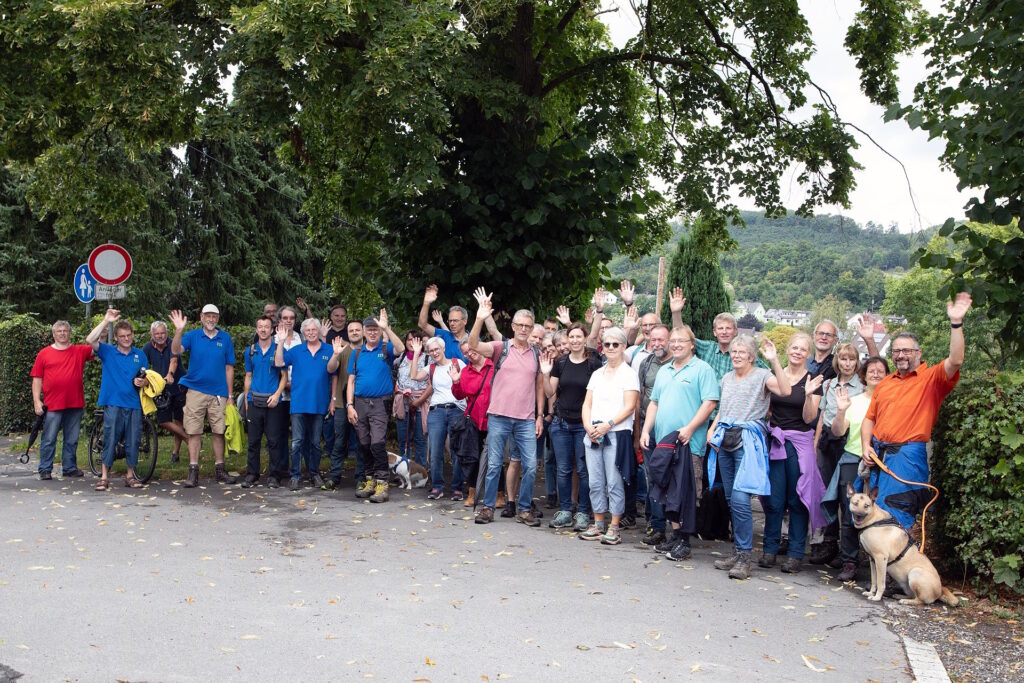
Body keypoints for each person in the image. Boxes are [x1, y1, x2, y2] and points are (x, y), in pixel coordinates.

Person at [860, 292, 972, 530]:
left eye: (906, 351)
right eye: (896, 351)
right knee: (872, 514)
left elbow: (955, 360)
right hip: (879, 455)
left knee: (897, 514)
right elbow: (869, 419)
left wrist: (956, 323)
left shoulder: (931, 378)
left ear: (918, 353)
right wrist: (865, 446)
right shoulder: (886, 382)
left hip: (907, 457)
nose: (900, 355)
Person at [707, 335, 789, 580]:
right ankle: (737, 552)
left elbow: (785, 391)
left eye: (742, 352)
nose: (736, 355)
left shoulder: (763, 376)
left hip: (748, 442)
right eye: (734, 351)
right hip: (726, 438)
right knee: (731, 498)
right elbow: (724, 408)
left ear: (752, 356)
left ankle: (745, 556)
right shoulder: (727, 378)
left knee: (741, 499)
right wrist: (713, 429)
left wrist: (774, 360)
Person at [639, 325, 720, 560]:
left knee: (686, 493)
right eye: (672, 341)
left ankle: (684, 541)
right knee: (667, 491)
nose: (675, 345)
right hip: (664, 443)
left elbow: (710, 403)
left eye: (681, 341)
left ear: (692, 344)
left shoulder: (702, 369)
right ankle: (675, 536)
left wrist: (691, 428)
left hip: (688, 443)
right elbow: (654, 403)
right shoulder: (664, 371)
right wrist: (646, 430)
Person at [467, 290, 545, 526]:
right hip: (499, 416)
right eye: (520, 325)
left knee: (530, 467)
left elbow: (539, 386)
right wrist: (480, 317)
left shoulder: (537, 354)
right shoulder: (501, 348)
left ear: (532, 329)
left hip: (526, 419)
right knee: (493, 465)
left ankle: (524, 509)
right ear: (513, 326)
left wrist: (540, 416)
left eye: (528, 326)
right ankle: (487, 508)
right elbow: (472, 344)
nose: (523, 329)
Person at [761, 333, 826, 574]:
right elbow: (765, 406)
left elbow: (809, 418)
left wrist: (808, 395)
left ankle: (795, 554)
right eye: (794, 348)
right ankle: (769, 549)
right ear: (787, 350)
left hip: (799, 444)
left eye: (803, 349)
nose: (798, 352)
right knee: (774, 499)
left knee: (798, 499)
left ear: (808, 354)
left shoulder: (813, 380)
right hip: (776, 442)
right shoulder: (774, 375)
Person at [827, 355, 890, 581]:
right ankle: (849, 562)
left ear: (887, 375)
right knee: (850, 511)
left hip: (883, 461)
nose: (875, 374)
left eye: (880, 371)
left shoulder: (892, 400)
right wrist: (841, 410)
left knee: (881, 511)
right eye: (871, 370)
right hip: (853, 458)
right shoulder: (854, 401)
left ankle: (881, 563)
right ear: (863, 375)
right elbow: (837, 431)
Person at [578, 327, 640, 545]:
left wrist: (608, 425)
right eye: (607, 344)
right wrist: (588, 427)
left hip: (616, 434)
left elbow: (630, 406)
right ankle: (598, 524)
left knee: (614, 482)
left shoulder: (629, 374)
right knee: (595, 481)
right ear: (602, 347)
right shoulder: (597, 374)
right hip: (594, 433)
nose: (611, 348)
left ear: (623, 346)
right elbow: (587, 404)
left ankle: (614, 527)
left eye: (615, 344)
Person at [542, 323, 603, 531]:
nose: (575, 340)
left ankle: (583, 512)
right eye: (572, 337)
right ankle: (566, 511)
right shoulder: (560, 362)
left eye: (579, 336)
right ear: (567, 340)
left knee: (584, 470)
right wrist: (545, 374)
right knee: (564, 469)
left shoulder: (594, 364)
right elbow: (550, 392)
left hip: (584, 425)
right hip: (561, 423)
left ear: (585, 339)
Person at [806, 341, 863, 565]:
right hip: (827, 442)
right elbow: (822, 417)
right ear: (837, 361)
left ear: (857, 362)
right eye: (843, 359)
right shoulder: (829, 384)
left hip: (848, 442)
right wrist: (815, 445)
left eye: (852, 359)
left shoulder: (861, 386)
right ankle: (829, 542)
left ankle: (848, 550)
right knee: (826, 492)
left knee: (846, 495)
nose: (847, 364)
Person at [169, 304, 237, 488]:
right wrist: (178, 331)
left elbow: (229, 368)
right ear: (201, 317)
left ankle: (220, 470)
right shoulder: (192, 336)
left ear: (218, 318)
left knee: (219, 431)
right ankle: (193, 471)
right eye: (208, 316)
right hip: (195, 391)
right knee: (194, 431)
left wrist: (230, 395)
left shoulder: (225, 338)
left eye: (214, 316)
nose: (211, 319)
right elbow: (176, 350)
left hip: (219, 393)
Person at [85, 310, 149, 491]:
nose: (126, 339)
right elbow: (90, 339)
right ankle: (104, 477)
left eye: (129, 335)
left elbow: (147, 378)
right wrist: (106, 320)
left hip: (134, 403)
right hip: (113, 402)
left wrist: (143, 382)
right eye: (122, 336)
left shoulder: (140, 355)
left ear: (133, 335)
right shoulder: (108, 351)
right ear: (116, 338)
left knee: (133, 440)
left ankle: (130, 476)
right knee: (110, 437)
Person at [346, 310, 405, 503]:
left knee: (377, 443)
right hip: (359, 404)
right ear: (363, 331)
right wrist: (349, 405)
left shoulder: (386, 349)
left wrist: (386, 328)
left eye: (375, 329)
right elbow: (351, 381)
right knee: (364, 444)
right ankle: (370, 479)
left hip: (380, 403)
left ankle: (382, 483)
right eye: (369, 329)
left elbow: (401, 348)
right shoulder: (356, 353)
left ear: (379, 331)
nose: (372, 332)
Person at [30, 320, 94, 480]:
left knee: (72, 439)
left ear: (70, 333)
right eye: (59, 331)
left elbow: (96, 348)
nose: (62, 333)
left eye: (65, 331)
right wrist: (37, 401)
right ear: (53, 334)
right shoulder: (44, 353)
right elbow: (37, 378)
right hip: (52, 404)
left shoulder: (79, 350)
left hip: (75, 402)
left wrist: (104, 327)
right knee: (49, 438)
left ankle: (69, 468)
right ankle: (45, 469)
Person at [276, 318, 335, 490]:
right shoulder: (296, 350)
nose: (310, 333)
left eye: (313, 330)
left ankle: (314, 474)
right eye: (307, 330)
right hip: (299, 403)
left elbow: (334, 375)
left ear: (319, 331)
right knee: (297, 442)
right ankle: (295, 476)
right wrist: (281, 342)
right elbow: (279, 362)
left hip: (319, 402)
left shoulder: (329, 349)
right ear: (303, 333)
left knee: (315, 443)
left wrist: (333, 400)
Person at [409, 336, 467, 500]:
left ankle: (457, 488)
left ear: (443, 349)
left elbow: (466, 384)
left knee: (456, 451)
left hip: (456, 410)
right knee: (435, 451)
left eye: (436, 349)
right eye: (431, 351)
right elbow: (414, 376)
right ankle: (437, 487)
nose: (434, 353)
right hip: (436, 411)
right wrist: (416, 353)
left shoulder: (457, 363)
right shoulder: (431, 368)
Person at [631, 324, 672, 545]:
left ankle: (677, 527)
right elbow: (640, 398)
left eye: (661, 339)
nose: (656, 344)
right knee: (652, 477)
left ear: (670, 340)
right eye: (653, 340)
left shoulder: (680, 363)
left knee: (672, 478)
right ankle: (656, 525)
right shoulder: (646, 363)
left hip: (673, 429)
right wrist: (639, 432)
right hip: (649, 426)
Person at [241, 316, 287, 488]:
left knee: (274, 441)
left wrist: (277, 395)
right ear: (256, 329)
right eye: (260, 326)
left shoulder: (278, 350)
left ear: (272, 330)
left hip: (273, 402)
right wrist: (247, 399)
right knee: (253, 441)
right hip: (255, 401)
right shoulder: (250, 351)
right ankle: (252, 474)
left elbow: (284, 377)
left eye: (266, 326)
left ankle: (274, 476)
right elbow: (248, 376)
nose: (263, 329)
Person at [451, 340, 495, 508]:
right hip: (473, 421)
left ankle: (499, 494)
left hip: (493, 420)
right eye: (465, 352)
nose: (469, 353)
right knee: (471, 458)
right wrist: (456, 381)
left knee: (495, 458)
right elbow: (459, 395)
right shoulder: (465, 371)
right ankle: (472, 493)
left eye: (471, 349)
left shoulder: (494, 366)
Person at [323, 319, 363, 490]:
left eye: (357, 330)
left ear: (363, 331)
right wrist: (335, 354)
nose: (354, 332)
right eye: (351, 330)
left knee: (362, 443)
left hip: (362, 403)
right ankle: (334, 477)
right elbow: (330, 369)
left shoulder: (368, 350)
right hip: (341, 402)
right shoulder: (342, 350)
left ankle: (361, 478)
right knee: (339, 442)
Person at [142, 321, 188, 463]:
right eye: (157, 334)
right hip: (161, 389)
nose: (160, 336)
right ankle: (189, 439)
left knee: (179, 421)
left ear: (167, 333)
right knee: (163, 421)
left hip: (178, 386)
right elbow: (143, 366)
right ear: (151, 334)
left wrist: (170, 374)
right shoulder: (147, 348)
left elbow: (174, 361)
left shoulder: (173, 344)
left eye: (162, 333)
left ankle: (175, 453)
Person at [270, 306, 302, 483]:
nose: (288, 321)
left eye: (291, 318)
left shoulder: (302, 337)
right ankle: (282, 467)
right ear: (280, 319)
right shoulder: (272, 338)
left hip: (299, 393)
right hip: (279, 393)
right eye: (285, 318)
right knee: (280, 432)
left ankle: (299, 467)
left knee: (300, 434)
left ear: (295, 320)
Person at [393, 329, 429, 472]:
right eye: (409, 339)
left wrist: (420, 400)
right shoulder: (400, 358)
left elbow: (432, 383)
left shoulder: (428, 359)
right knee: (403, 440)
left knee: (420, 440)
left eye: (416, 339)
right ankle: (404, 472)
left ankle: (420, 473)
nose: (412, 342)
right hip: (403, 402)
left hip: (421, 402)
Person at [418, 284, 471, 361]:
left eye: (455, 321)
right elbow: (422, 325)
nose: (452, 324)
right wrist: (426, 303)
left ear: (464, 321)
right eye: (450, 321)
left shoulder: (473, 339)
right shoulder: (444, 335)